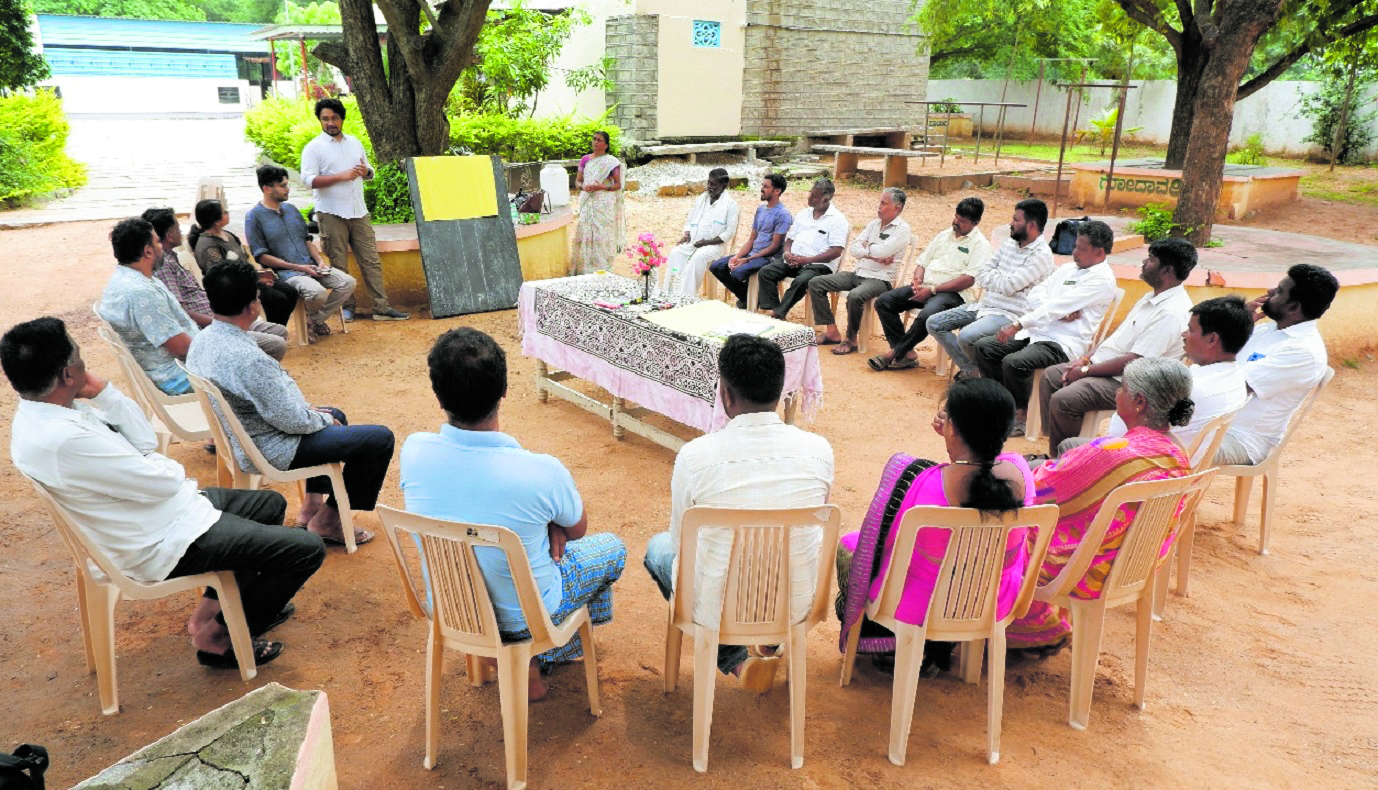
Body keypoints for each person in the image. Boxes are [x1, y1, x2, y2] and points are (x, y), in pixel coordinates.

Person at [4, 317, 325, 669]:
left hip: (160, 513)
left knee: (268, 504)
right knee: (305, 549)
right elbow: (163, 480)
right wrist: (161, 465)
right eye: (80, 358)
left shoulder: (50, 412)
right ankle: (217, 637)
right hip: (161, 539)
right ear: (67, 374)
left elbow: (143, 443)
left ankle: (214, 612)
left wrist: (107, 395)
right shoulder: (65, 440)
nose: (85, 365)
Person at [401, 327, 627, 701]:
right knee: (612, 549)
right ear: (504, 390)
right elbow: (578, 529)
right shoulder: (541, 472)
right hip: (527, 618)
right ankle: (551, 654)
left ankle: (513, 657)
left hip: (452, 606)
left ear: (437, 394)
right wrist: (550, 522)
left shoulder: (413, 452)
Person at [642, 335, 834, 693]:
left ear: (725, 394)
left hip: (720, 607)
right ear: (780, 392)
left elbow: (681, 543)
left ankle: (734, 657)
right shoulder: (819, 450)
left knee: (658, 548)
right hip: (795, 602)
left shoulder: (695, 456)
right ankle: (766, 643)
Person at [835, 378, 1037, 677]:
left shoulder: (923, 482)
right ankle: (942, 647)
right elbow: (978, 474)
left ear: (952, 426)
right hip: (994, 599)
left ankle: (893, 647)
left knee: (852, 548)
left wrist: (953, 441)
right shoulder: (1020, 471)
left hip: (921, 608)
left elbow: (881, 546)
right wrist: (959, 438)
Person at [186, 261, 393, 547]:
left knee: (336, 414)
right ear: (252, 307)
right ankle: (328, 520)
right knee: (379, 439)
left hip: (242, 437)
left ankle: (312, 506)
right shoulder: (249, 359)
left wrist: (317, 416)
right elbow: (291, 421)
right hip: (271, 447)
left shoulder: (203, 339)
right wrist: (320, 420)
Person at [1006, 357, 1194, 655]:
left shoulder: (1112, 452)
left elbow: (1037, 490)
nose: (1117, 393)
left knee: (1001, 525)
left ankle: (1029, 625)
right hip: (1130, 567)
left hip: (1083, 570)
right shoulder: (1176, 452)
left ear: (1139, 402)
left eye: (1123, 388)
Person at [1039, 236, 1197, 455]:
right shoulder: (1149, 298)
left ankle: (1066, 462)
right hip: (1107, 368)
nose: (1143, 263)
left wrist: (1085, 372)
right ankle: (1058, 448)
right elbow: (1115, 339)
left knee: (1065, 399)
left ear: (1167, 271)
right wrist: (1084, 359)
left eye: (1150, 260)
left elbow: (1135, 362)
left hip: (1132, 383)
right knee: (1051, 376)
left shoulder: (1171, 313)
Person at [973, 219, 1119, 436]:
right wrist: (1057, 311)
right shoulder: (1068, 268)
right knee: (984, 347)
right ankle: (1003, 403)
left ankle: (1021, 415)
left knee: (1014, 363)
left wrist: (1021, 322)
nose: (1074, 251)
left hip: (1061, 342)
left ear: (1099, 252)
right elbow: (1036, 295)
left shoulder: (1102, 280)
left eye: (1081, 248)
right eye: (1076, 245)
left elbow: (1057, 305)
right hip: (1036, 332)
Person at [1088, 295, 1253, 464]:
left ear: (1212, 339)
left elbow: (1118, 434)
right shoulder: (1237, 378)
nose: (1184, 334)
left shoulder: (1185, 386)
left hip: (1137, 467)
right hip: (1177, 471)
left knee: (1069, 446)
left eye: (1190, 330)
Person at [1214, 264, 1338, 466]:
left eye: (1279, 291)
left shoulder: (1302, 352)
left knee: (1162, 447)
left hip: (1241, 439)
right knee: (1150, 433)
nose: (1270, 292)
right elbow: (1214, 357)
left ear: (1294, 308)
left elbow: (1230, 387)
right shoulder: (1269, 330)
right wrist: (1236, 326)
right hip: (1213, 424)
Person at [300, 97, 409, 321]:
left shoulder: (354, 143)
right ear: (320, 121)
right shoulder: (314, 148)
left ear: (342, 119)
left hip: (359, 211)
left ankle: (382, 307)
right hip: (331, 213)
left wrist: (365, 172)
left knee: (371, 261)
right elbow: (308, 181)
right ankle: (347, 308)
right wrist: (341, 176)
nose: (330, 123)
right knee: (339, 263)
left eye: (334, 118)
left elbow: (370, 171)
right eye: (325, 119)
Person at [925, 198, 1055, 378]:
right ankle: (973, 370)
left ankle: (982, 376)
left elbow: (1009, 286)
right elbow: (982, 273)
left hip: (1008, 314)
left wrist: (997, 278)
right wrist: (1000, 279)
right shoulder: (1010, 243)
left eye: (1016, 220)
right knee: (934, 323)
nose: (1011, 223)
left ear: (1031, 225)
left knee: (966, 336)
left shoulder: (1040, 255)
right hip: (984, 306)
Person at [142, 207, 290, 362]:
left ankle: (257, 367)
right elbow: (182, 311)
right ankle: (253, 372)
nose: (181, 231)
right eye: (178, 228)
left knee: (280, 331)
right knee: (276, 344)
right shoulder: (165, 265)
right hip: (214, 325)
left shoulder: (173, 258)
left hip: (220, 314)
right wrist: (224, 324)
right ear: (170, 236)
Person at [868, 196, 991, 370]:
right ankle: (906, 353)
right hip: (926, 286)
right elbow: (923, 262)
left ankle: (893, 354)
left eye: (962, 221)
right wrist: (918, 280)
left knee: (928, 316)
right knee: (885, 301)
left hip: (954, 294)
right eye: (956, 217)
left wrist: (932, 289)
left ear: (975, 223)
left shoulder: (980, 245)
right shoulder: (943, 235)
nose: (956, 222)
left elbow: (967, 280)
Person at [245, 165, 357, 341]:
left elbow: (307, 240)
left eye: (287, 184)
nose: (287, 189)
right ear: (267, 189)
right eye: (282, 185)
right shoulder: (254, 217)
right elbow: (261, 256)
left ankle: (312, 319)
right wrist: (300, 267)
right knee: (317, 293)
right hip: (287, 274)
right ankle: (314, 321)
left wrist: (320, 261)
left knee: (347, 283)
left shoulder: (292, 210)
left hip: (312, 266)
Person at [98, 217, 199, 395]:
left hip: (178, 366)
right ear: (148, 252)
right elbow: (183, 349)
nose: (161, 246)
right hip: (178, 376)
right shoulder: (141, 292)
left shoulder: (126, 277)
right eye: (158, 242)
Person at [810, 187, 913, 356]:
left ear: (897, 209)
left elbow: (882, 252)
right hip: (858, 273)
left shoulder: (902, 229)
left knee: (855, 296)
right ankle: (831, 330)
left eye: (883, 203)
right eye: (879, 202)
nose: (878, 206)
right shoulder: (873, 224)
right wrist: (875, 254)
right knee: (816, 283)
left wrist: (870, 249)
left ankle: (851, 339)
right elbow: (853, 249)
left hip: (880, 280)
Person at [188, 198, 300, 327]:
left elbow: (244, 260)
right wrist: (257, 281)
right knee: (277, 299)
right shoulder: (208, 246)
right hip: (234, 288)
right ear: (217, 221)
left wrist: (260, 274)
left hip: (248, 279)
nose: (227, 213)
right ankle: (271, 331)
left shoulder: (228, 235)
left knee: (290, 291)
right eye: (224, 212)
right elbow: (223, 277)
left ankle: (278, 329)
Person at [757, 178, 849, 319]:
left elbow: (836, 251)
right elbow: (789, 239)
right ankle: (777, 310)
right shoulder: (803, 214)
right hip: (794, 259)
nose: (809, 197)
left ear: (826, 199)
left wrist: (807, 260)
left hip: (819, 265)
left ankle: (778, 313)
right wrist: (787, 253)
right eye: (810, 193)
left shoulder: (837, 219)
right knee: (765, 272)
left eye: (814, 196)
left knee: (801, 281)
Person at [707, 173, 792, 308]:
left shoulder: (783, 214)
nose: (761, 189)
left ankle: (750, 298)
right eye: (762, 185)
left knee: (737, 272)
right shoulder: (761, 209)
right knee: (717, 266)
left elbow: (775, 247)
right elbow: (752, 239)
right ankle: (749, 298)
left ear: (777, 191)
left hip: (768, 257)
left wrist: (747, 260)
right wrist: (738, 256)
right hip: (752, 253)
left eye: (766, 186)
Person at [663, 168, 740, 297]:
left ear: (723, 185)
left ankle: (686, 296)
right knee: (675, 253)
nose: (709, 187)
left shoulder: (731, 205)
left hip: (714, 246)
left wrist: (707, 242)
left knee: (697, 258)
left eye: (713, 184)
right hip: (694, 242)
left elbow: (729, 233)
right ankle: (669, 293)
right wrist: (687, 234)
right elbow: (689, 220)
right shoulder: (701, 199)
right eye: (708, 183)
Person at [570, 130, 625, 275]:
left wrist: (601, 187)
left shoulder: (612, 162)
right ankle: (584, 269)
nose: (595, 142)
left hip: (603, 202)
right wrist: (583, 187)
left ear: (606, 145)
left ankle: (603, 268)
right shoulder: (585, 160)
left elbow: (618, 185)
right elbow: (578, 181)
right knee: (585, 232)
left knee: (602, 233)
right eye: (594, 139)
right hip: (587, 201)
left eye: (599, 140)